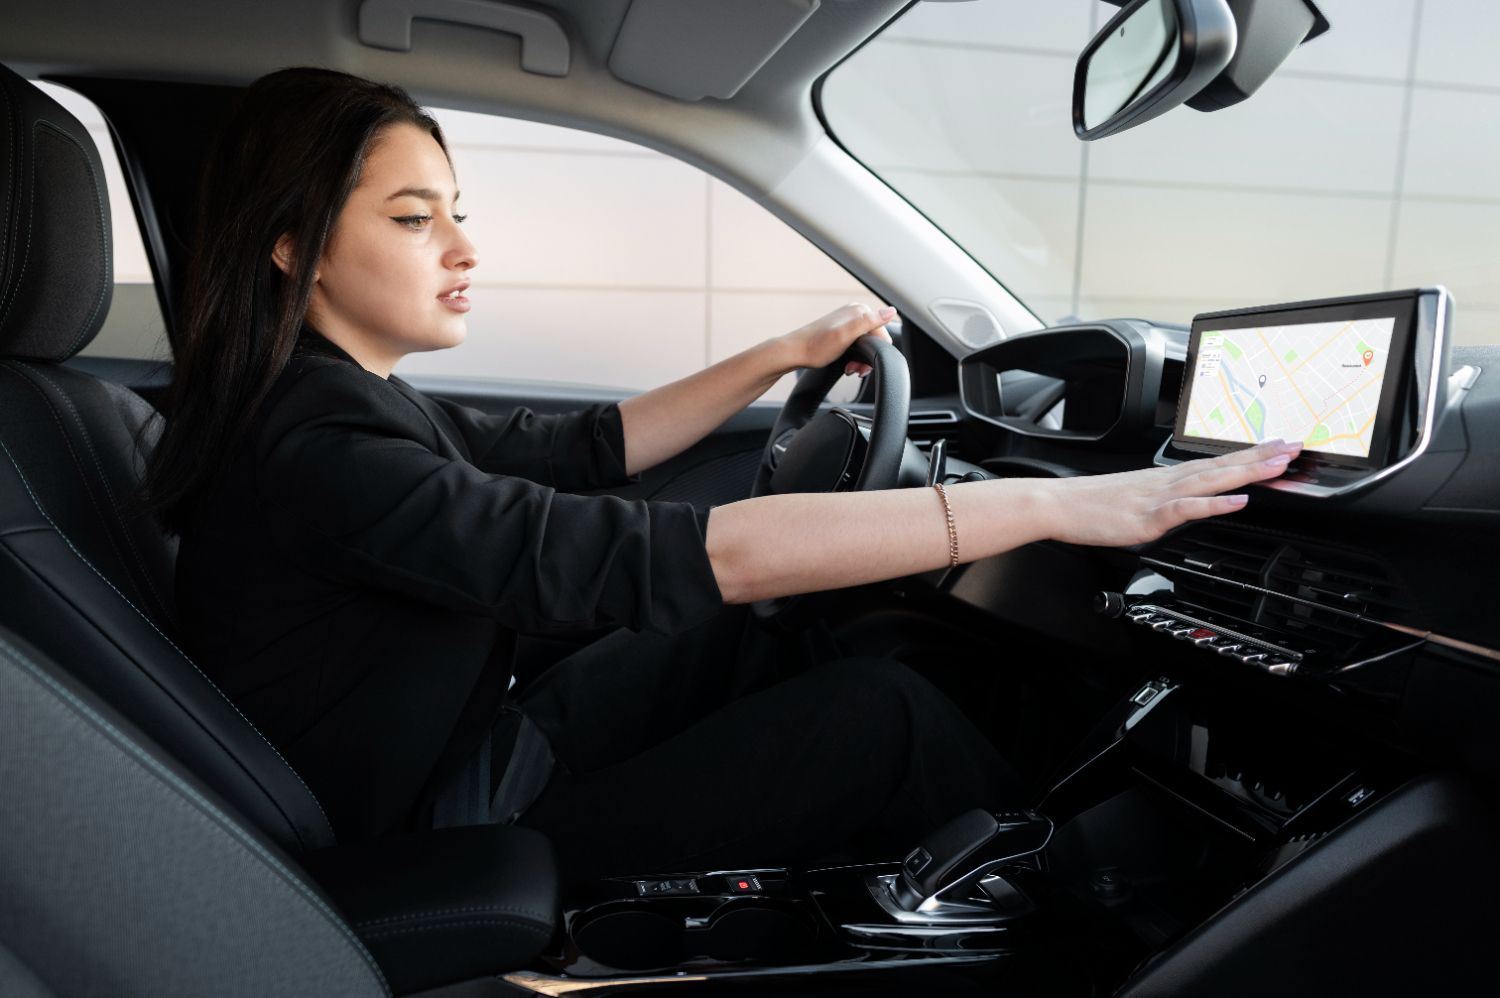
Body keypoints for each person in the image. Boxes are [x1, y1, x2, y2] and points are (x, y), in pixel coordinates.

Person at [140, 67, 1300, 881]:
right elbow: (694, 552)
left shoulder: (340, 398)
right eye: (412, 216)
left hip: (468, 740)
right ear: (293, 245)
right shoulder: (325, 453)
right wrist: (1060, 500)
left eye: (458, 210)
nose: (464, 246)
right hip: (435, 826)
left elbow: (590, 452)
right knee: (879, 715)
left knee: (764, 633)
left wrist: (787, 353)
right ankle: (1097, 899)